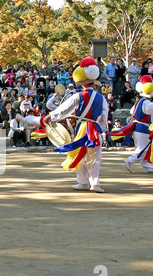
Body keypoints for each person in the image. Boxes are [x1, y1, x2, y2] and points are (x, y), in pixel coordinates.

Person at [43, 57, 109, 193]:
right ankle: (95, 183)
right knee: (95, 157)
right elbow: (104, 115)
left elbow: (64, 109)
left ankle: (83, 181)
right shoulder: (101, 97)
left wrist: (51, 116)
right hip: (94, 128)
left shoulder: (78, 96)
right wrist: (101, 127)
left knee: (79, 153)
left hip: (81, 129)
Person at [107, 75, 153, 174]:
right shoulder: (146, 103)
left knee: (142, 146)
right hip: (143, 127)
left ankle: (146, 166)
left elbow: (132, 111)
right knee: (143, 148)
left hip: (138, 126)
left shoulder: (139, 101)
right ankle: (130, 160)